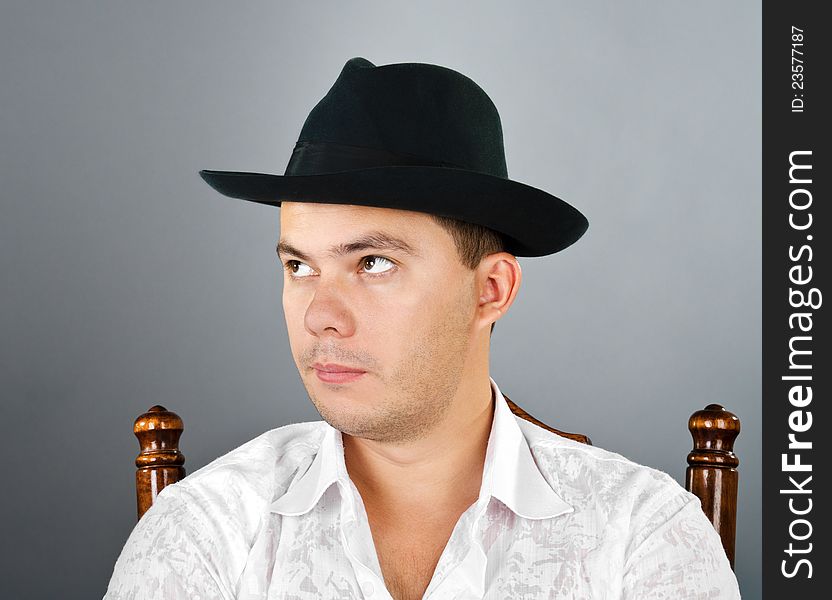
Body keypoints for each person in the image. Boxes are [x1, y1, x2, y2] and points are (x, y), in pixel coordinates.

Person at [105, 57, 740, 599]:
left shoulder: (642, 533)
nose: (320, 314)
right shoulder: (206, 531)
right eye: (300, 265)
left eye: (373, 263)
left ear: (490, 290)